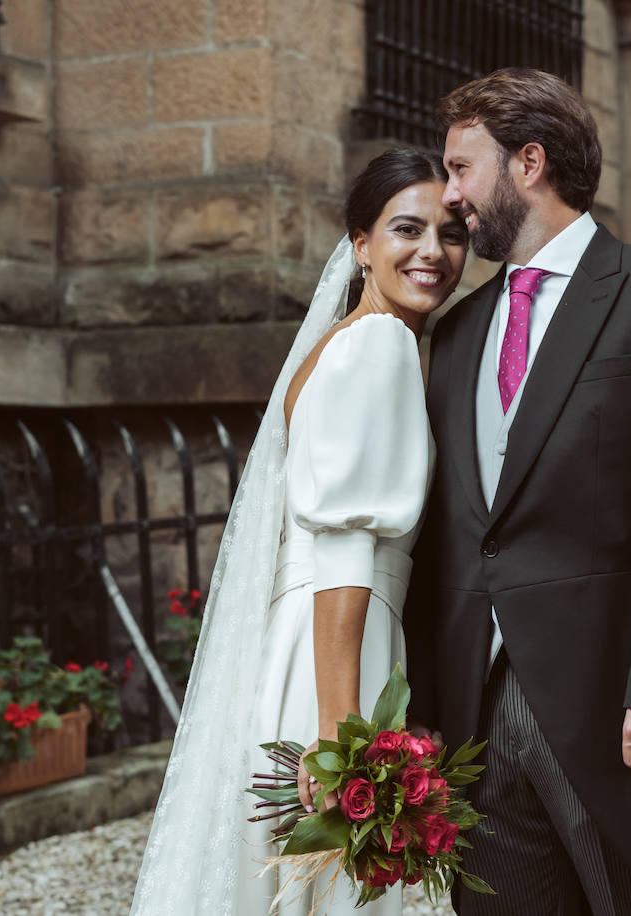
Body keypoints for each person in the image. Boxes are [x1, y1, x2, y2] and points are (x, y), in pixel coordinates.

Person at [402, 68, 631, 916]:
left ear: (530, 162)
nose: (450, 198)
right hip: (474, 715)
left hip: (612, 706)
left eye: (461, 168)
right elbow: (451, 529)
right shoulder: (456, 331)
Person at [129, 148, 467, 916]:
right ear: (359, 243)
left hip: (308, 642)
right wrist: (340, 733)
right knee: (329, 890)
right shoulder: (378, 346)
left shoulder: (337, 345)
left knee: (293, 893)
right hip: (338, 651)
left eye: (451, 235)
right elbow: (347, 542)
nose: (431, 253)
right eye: (406, 229)